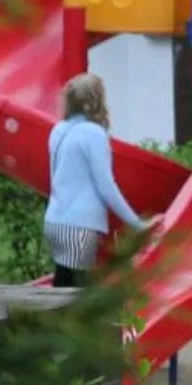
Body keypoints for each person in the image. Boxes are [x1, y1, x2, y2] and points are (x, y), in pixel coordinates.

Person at [44, 73, 147, 287]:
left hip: (55, 220)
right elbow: (106, 186)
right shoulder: (94, 134)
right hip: (81, 224)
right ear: (96, 102)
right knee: (76, 295)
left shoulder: (57, 130)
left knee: (62, 285)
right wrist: (136, 223)